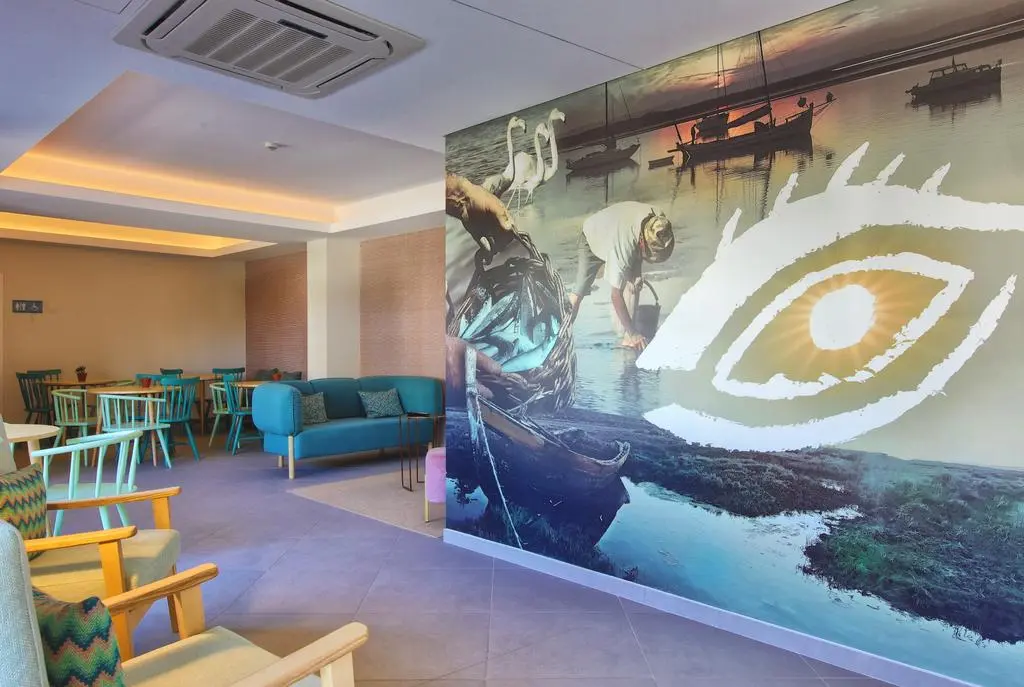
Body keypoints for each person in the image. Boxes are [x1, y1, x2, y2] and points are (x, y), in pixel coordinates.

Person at [567, 201, 675, 352]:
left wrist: (636, 275)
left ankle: (627, 337)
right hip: (593, 235)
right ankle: (562, 335)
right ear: (643, 244)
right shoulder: (623, 249)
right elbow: (615, 295)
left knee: (634, 284)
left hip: (623, 230)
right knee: (578, 293)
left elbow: (639, 251)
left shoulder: (659, 224)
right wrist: (634, 333)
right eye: (650, 256)